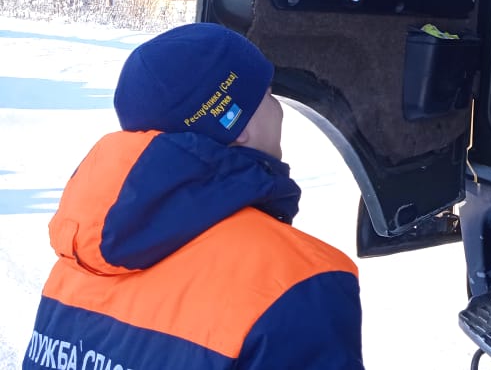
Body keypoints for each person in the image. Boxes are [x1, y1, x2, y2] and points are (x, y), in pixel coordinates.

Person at [22, 23, 364, 370]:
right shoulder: (299, 284)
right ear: (238, 125)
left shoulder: (78, 265)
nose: (277, 108)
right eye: (269, 93)